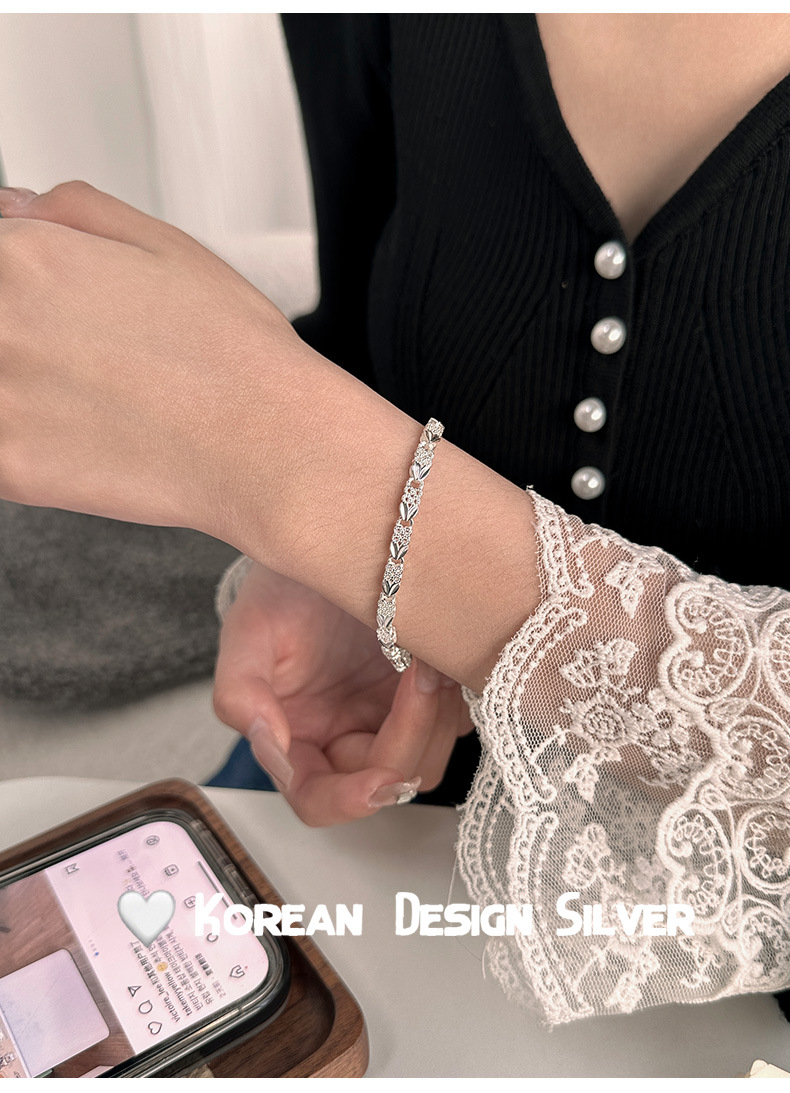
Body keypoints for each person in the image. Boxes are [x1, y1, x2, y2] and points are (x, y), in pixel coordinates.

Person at [0, 13, 787, 1024]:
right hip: (379, 803)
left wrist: (308, 478)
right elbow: (364, 333)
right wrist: (319, 571)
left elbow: (309, 451)